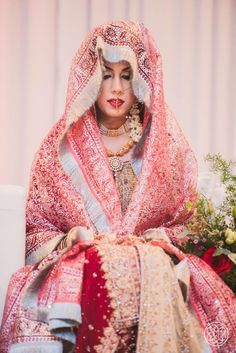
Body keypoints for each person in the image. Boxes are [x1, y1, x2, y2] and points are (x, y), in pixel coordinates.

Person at [0, 21, 235, 353]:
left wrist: (159, 240)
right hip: (79, 262)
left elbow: (187, 221)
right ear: (90, 78)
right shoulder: (59, 148)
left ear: (141, 79)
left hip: (153, 265)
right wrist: (72, 238)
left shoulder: (162, 145)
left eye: (126, 75)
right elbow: (35, 228)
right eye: (106, 74)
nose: (116, 88)